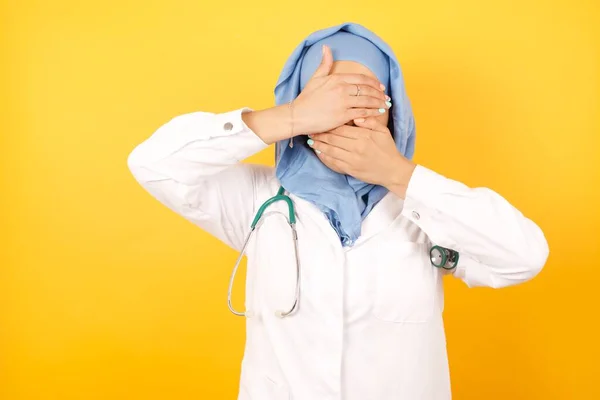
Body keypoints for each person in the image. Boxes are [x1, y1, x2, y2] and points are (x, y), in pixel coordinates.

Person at [128, 22, 548, 400]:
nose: (347, 114)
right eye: (329, 97)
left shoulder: (422, 208)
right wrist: (290, 116)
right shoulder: (262, 202)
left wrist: (400, 174)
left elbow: (523, 256)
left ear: (393, 110)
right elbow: (153, 164)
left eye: (364, 97)